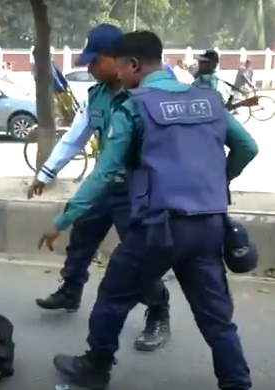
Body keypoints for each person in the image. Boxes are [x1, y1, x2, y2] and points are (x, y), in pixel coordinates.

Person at [44, 30, 258, 390]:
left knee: (113, 296)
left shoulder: (134, 105)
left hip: (160, 228)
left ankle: (95, 367)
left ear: (133, 65)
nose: (122, 78)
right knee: (216, 317)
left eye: (122, 69)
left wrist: (63, 219)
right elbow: (248, 147)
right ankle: (237, 383)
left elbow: (106, 171)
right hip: (209, 226)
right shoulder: (208, 99)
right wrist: (218, 181)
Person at [29, 23, 171, 352]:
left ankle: (158, 313)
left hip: (136, 191)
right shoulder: (97, 96)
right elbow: (75, 137)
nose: (90, 70)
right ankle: (71, 290)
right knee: (81, 238)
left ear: (116, 58)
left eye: (95, 62)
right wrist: (46, 172)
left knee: (140, 259)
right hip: (101, 186)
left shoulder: (146, 95)